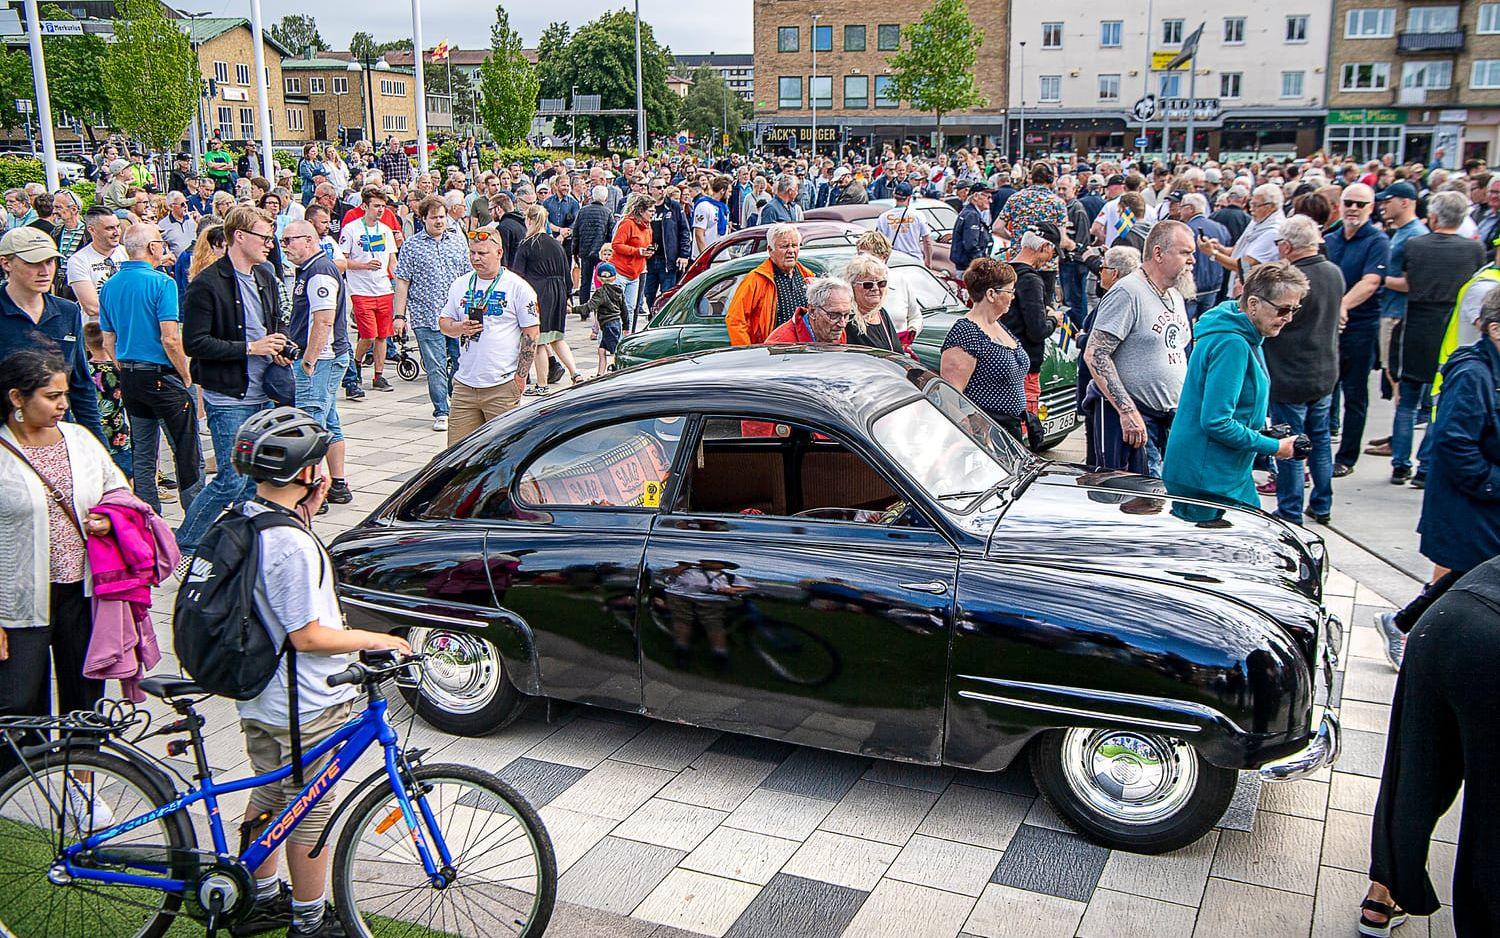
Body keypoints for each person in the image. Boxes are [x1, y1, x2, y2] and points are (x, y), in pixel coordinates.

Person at [224, 407, 410, 938]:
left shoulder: (245, 517)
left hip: (261, 698)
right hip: (306, 700)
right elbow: (307, 635)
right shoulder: (291, 544)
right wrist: (377, 638)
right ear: (306, 473)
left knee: (269, 793)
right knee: (310, 809)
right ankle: (309, 918)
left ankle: (257, 898)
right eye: (320, 462)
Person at [0, 348, 129, 783]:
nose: (63, 405)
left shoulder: (79, 440)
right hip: (18, 606)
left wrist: (108, 519)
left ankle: (82, 788)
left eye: (65, 394)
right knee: (18, 705)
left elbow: (119, 490)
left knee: (85, 698)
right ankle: (18, 793)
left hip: (85, 593)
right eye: (51, 396)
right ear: (17, 398)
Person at [1359, 556, 1500, 938]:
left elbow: (1470, 553)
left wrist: (1411, 615)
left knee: (1413, 775)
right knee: (1491, 819)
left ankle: (1382, 895)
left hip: (1447, 617)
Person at [176, 206, 290, 554]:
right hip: (229, 396)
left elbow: (275, 322)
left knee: (254, 479)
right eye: (263, 237)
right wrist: (251, 348)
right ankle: (186, 542)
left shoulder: (266, 275)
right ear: (239, 237)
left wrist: (281, 345)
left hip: (263, 391)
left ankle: (238, 542)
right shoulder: (207, 284)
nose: (269, 244)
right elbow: (194, 343)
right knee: (230, 479)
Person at [1163, 262, 1307, 509]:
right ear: (1253, 304)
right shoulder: (1232, 344)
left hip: (1224, 471)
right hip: (1207, 477)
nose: (1289, 318)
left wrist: (1261, 431)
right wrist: (1275, 447)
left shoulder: (1245, 335)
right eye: (1283, 310)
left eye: (1294, 309)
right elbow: (1216, 421)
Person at [98, 223, 202, 515]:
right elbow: (169, 337)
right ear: (153, 248)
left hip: (131, 374)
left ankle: (147, 518)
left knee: (143, 452)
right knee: (186, 450)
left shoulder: (110, 285)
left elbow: (108, 340)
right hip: (161, 375)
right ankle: (196, 519)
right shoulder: (161, 283)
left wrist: (125, 367)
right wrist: (186, 373)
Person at [1386, 190, 1487, 484]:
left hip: (1418, 325)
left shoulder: (1416, 245)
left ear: (1432, 217)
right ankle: (1426, 465)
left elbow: (1405, 281)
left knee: (1407, 400)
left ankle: (1400, 463)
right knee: (1437, 400)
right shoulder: (1474, 251)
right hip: (1451, 329)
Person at [1085, 220, 1196, 478]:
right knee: (1137, 501)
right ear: (1158, 253)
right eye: (1185, 252)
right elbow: (1096, 353)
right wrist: (1127, 411)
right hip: (1135, 421)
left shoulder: (1174, 295)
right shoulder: (1128, 291)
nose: (1192, 261)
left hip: (1167, 420)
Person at [1262, 215, 1345, 525]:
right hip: (1323, 371)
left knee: (1293, 444)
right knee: (1320, 439)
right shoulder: (1334, 273)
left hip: (1291, 373)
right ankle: (1322, 503)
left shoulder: (1290, 282)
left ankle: (1290, 509)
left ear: (1287, 245)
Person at [436, 226, 540, 445]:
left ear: (499, 253)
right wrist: (459, 328)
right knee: (457, 454)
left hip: (501, 384)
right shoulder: (461, 284)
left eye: (482, 253)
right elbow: (443, 323)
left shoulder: (518, 287)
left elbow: (531, 333)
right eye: (472, 253)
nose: (476, 258)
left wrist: (520, 377)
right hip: (465, 383)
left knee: (500, 453)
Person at [0, 228, 104, 441]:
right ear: (6, 263)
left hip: (57, 436)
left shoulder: (67, 311)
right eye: (33, 263)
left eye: (50, 262)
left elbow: (81, 384)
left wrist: (97, 446)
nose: (45, 271)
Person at [280, 220, 354, 510]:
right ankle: (337, 484)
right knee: (329, 420)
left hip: (321, 358)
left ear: (309, 240)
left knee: (311, 424)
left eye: (289, 240)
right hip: (326, 357)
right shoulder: (312, 269)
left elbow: (323, 318)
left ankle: (314, 491)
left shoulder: (319, 271)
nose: (284, 246)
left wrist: (309, 359)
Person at [1327, 183, 1392, 476]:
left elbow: (1370, 282)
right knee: (1326, 389)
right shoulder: (1330, 239)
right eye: (1348, 202)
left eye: (1360, 204)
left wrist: (1341, 306)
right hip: (1328, 327)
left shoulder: (1377, 241)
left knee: (1354, 392)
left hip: (1360, 326)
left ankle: (1347, 456)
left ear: (1371, 207)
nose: (1353, 208)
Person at [393, 196, 469, 432]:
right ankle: (441, 410)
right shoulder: (412, 246)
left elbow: (468, 277)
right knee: (435, 365)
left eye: (442, 216)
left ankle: (456, 402)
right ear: (423, 218)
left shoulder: (457, 242)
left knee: (460, 361)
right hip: (426, 314)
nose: (439, 221)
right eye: (434, 217)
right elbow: (403, 282)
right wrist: (399, 316)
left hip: (456, 316)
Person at [940, 258, 1030, 441]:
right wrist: (979, 438)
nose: (1013, 296)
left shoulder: (998, 325)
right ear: (991, 294)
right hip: (986, 434)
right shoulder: (966, 333)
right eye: (1009, 291)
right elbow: (951, 396)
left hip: (1009, 431)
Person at [514, 204, 580, 393]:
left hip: (539, 292)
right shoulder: (556, 244)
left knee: (540, 339)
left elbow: (518, 275)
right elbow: (566, 274)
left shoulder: (528, 244)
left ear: (529, 220)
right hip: (558, 292)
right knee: (557, 336)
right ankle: (575, 373)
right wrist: (567, 296)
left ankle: (542, 384)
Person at [340, 186, 397, 393]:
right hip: (361, 289)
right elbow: (343, 260)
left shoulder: (385, 230)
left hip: (383, 288)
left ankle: (378, 375)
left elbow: (392, 260)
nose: (380, 210)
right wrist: (364, 265)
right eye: (376, 206)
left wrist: (399, 279)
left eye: (383, 206)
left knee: (383, 335)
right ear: (365, 206)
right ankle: (355, 362)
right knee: (369, 335)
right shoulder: (351, 229)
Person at [1005, 225, 1065, 413]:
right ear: (1044, 247)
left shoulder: (1003, 273)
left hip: (1001, 361)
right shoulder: (1031, 280)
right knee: (1026, 429)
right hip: (1025, 365)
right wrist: (1054, 320)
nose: (1050, 260)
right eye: (1053, 254)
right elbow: (1037, 331)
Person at [726, 223, 813, 346]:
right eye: (784, 246)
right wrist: (749, 354)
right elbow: (735, 320)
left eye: (794, 245)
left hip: (802, 352)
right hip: (771, 353)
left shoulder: (807, 276)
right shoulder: (755, 280)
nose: (791, 251)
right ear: (770, 250)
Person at [82, 321, 132, 479]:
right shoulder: (119, 369)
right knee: (125, 476)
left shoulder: (84, 370)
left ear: (86, 345)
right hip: (118, 433)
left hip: (92, 433)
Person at [65, 207, 129, 321]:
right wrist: (135, 310)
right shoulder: (78, 260)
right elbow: (92, 307)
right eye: (109, 228)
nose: (117, 232)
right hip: (98, 332)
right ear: (92, 230)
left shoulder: (128, 253)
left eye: (118, 226)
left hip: (129, 329)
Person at [642, 178, 693, 312]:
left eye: (664, 186)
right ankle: (652, 317)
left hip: (668, 260)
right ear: (650, 189)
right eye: (658, 187)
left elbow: (684, 231)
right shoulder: (644, 206)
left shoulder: (673, 206)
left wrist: (684, 254)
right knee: (649, 295)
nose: (662, 189)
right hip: (648, 259)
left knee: (667, 296)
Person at [609, 193, 655, 330]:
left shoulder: (648, 226)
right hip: (620, 271)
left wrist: (647, 252)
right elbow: (616, 245)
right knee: (614, 308)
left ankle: (624, 338)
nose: (653, 214)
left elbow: (645, 245)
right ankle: (607, 341)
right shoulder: (628, 223)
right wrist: (637, 251)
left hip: (636, 272)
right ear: (641, 211)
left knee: (630, 308)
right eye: (650, 211)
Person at [842, 253, 902, 353]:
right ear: (852, 286)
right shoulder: (846, 318)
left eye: (881, 283)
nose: (875, 288)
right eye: (868, 284)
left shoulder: (881, 313)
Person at [764, 276, 852, 344]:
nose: (843, 324)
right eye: (834, 315)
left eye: (846, 315)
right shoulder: (780, 343)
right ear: (812, 311)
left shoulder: (836, 331)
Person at [575, 261, 627, 374]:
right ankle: (600, 374)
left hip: (609, 325)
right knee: (601, 350)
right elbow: (625, 310)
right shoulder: (619, 290)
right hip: (615, 323)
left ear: (598, 277)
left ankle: (618, 372)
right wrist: (626, 326)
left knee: (614, 351)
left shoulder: (600, 292)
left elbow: (589, 306)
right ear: (614, 277)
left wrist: (572, 309)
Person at [875, 183, 934, 268]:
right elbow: (927, 241)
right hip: (914, 261)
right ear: (909, 197)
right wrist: (928, 262)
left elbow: (878, 242)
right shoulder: (918, 215)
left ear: (894, 196)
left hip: (893, 261)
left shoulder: (883, 217)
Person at [574, 186, 615, 305]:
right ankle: (601, 305)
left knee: (585, 281)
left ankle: (584, 308)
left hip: (585, 251)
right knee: (603, 279)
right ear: (606, 198)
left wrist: (575, 251)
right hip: (601, 252)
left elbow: (576, 232)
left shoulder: (583, 211)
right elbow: (611, 233)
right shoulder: (607, 212)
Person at [950, 184, 994, 273]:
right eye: (988, 197)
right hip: (968, 267)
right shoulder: (972, 215)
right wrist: (982, 264)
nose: (991, 201)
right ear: (976, 197)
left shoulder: (969, 212)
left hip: (966, 265)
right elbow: (971, 244)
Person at [692, 176, 732, 258]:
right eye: (729, 191)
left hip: (721, 256)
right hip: (708, 257)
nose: (730, 194)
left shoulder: (723, 208)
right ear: (722, 191)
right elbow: (699, 234)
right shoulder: (704, 206)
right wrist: (705, 257)